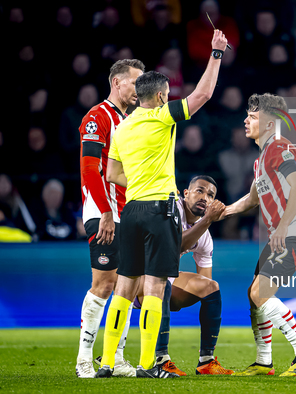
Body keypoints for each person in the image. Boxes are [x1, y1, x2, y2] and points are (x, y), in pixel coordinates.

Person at [96, 29, 228, 379]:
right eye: (167, 95)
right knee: (155, 287)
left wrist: (139, 181)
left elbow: (111, 173)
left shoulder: (122, 128)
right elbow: (203, 94)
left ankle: (107, 362)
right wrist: (216, 54)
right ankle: (147, 365)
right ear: (159, 95)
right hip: (159, 210)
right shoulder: (161, 116)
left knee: (124, 287)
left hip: (132, 210)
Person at [96, 176, 233, 375]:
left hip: (162, 284)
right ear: (185, 194)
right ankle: (161, 359)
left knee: (210, 286)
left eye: (210, 195)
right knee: (162, 280)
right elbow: (175, 244)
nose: (205, 197)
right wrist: (207, 220)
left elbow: (205, 282)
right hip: (136, 280)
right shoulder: (170, 210)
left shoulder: (205, 236)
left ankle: (206, 361)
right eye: (199, 191)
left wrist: (184, 297)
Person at [224, 93, 296, 377]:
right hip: (281, 235)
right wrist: (223, 212)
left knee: (260, 293)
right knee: (254, 294)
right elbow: (252, 199)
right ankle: (264, 362)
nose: (246, 120)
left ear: (269, 123)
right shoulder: (261, 159)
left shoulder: (280, 147)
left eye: (252, 117)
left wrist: (282, 226)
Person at [75, 59, 145, 378]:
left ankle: (114, 358)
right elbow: (91, 168)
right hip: (104, 212)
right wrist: (105, 211)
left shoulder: (126, 120)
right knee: (103, 284)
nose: (139, 89)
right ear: (117, 83)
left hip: (125, 213)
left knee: (126, 287)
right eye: (135, 82)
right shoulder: (97, 117)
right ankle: (84, 361)